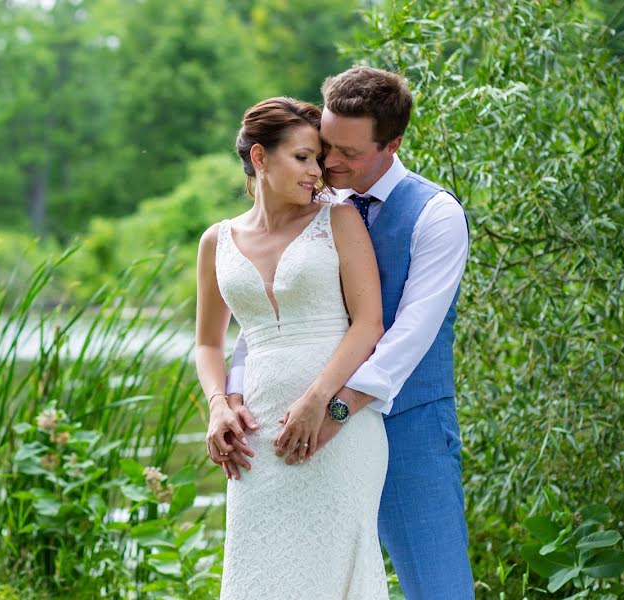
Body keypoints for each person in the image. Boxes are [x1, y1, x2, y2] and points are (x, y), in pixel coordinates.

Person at [220, 66, 474, 599]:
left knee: (437, 588)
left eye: (349, 154)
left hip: (407, 428)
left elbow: (408, 335)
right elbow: (270, 317)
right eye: (325, 146)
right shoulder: (314, 206)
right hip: (304, 429)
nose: (330, 163)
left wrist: (336, 406)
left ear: (392, 144)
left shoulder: (436, 215)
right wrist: (232, 392)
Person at [195, 97, 390, 598]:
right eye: (303, 157)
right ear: (260, 158)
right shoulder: (216, 241)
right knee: (258, 574)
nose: (318, 172)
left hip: (336, 428)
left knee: (335, 570)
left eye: (319, 160)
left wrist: (318, 399)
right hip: (257, 435)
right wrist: (218, 406)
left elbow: (368, 325)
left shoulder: (340, 220)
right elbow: (208, 344)